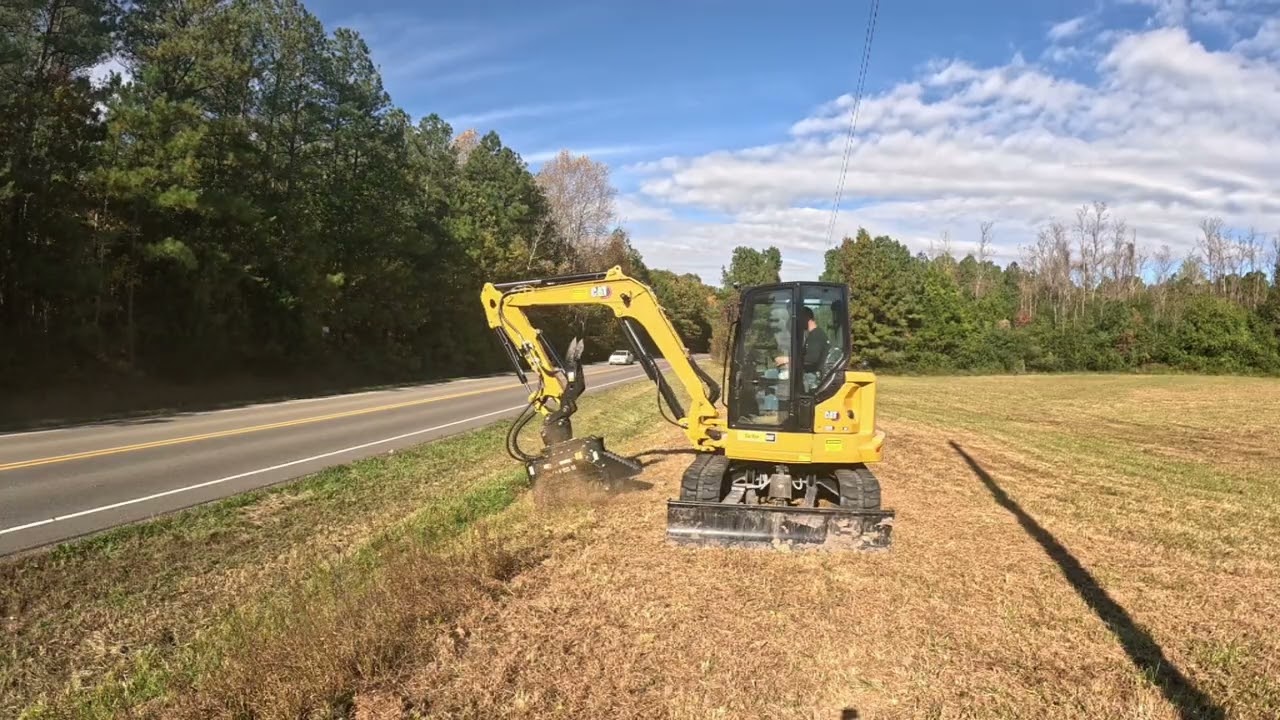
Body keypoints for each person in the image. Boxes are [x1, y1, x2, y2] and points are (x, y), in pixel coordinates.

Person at [774, 306, 829, 377]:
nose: (797, 322)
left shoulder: (816, 336)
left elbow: (811, 359)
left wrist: (786, 360)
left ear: (806, 318)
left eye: (798, 319)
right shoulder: (812, 335)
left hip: (814, 376)